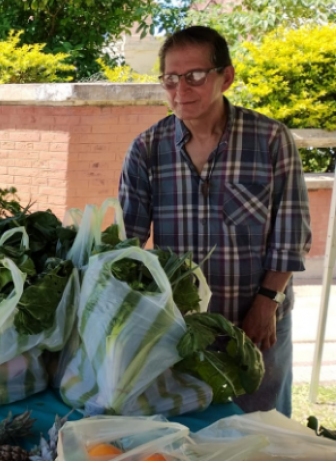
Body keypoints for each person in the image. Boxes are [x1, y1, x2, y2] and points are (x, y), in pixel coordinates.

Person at [118, 26, 312, 417]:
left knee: (263, 428)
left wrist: (267, 303)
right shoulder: (147, 149)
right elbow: (129, 241)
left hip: (257, 320)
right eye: (170, 78)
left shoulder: (270, 140)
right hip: (184, 328)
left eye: (194, 76)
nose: (180, 89)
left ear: (226, 76)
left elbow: (291, 232)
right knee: (191, 429)